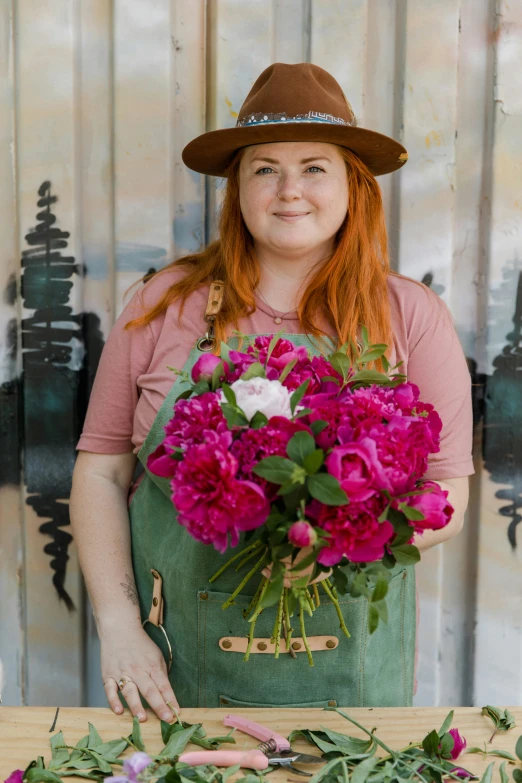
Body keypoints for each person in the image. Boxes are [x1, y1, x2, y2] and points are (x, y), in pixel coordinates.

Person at [71, 62, 473, 719]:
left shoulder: (408, 314)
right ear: (239, 187)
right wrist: (117, 625)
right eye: (265, 168)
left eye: (314, 166)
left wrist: (342, 533)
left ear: (352, 185)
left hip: (358, 691)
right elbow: (101, 471)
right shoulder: (163, 305)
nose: (289, 190)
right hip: (180, 681)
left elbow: (447, 492)